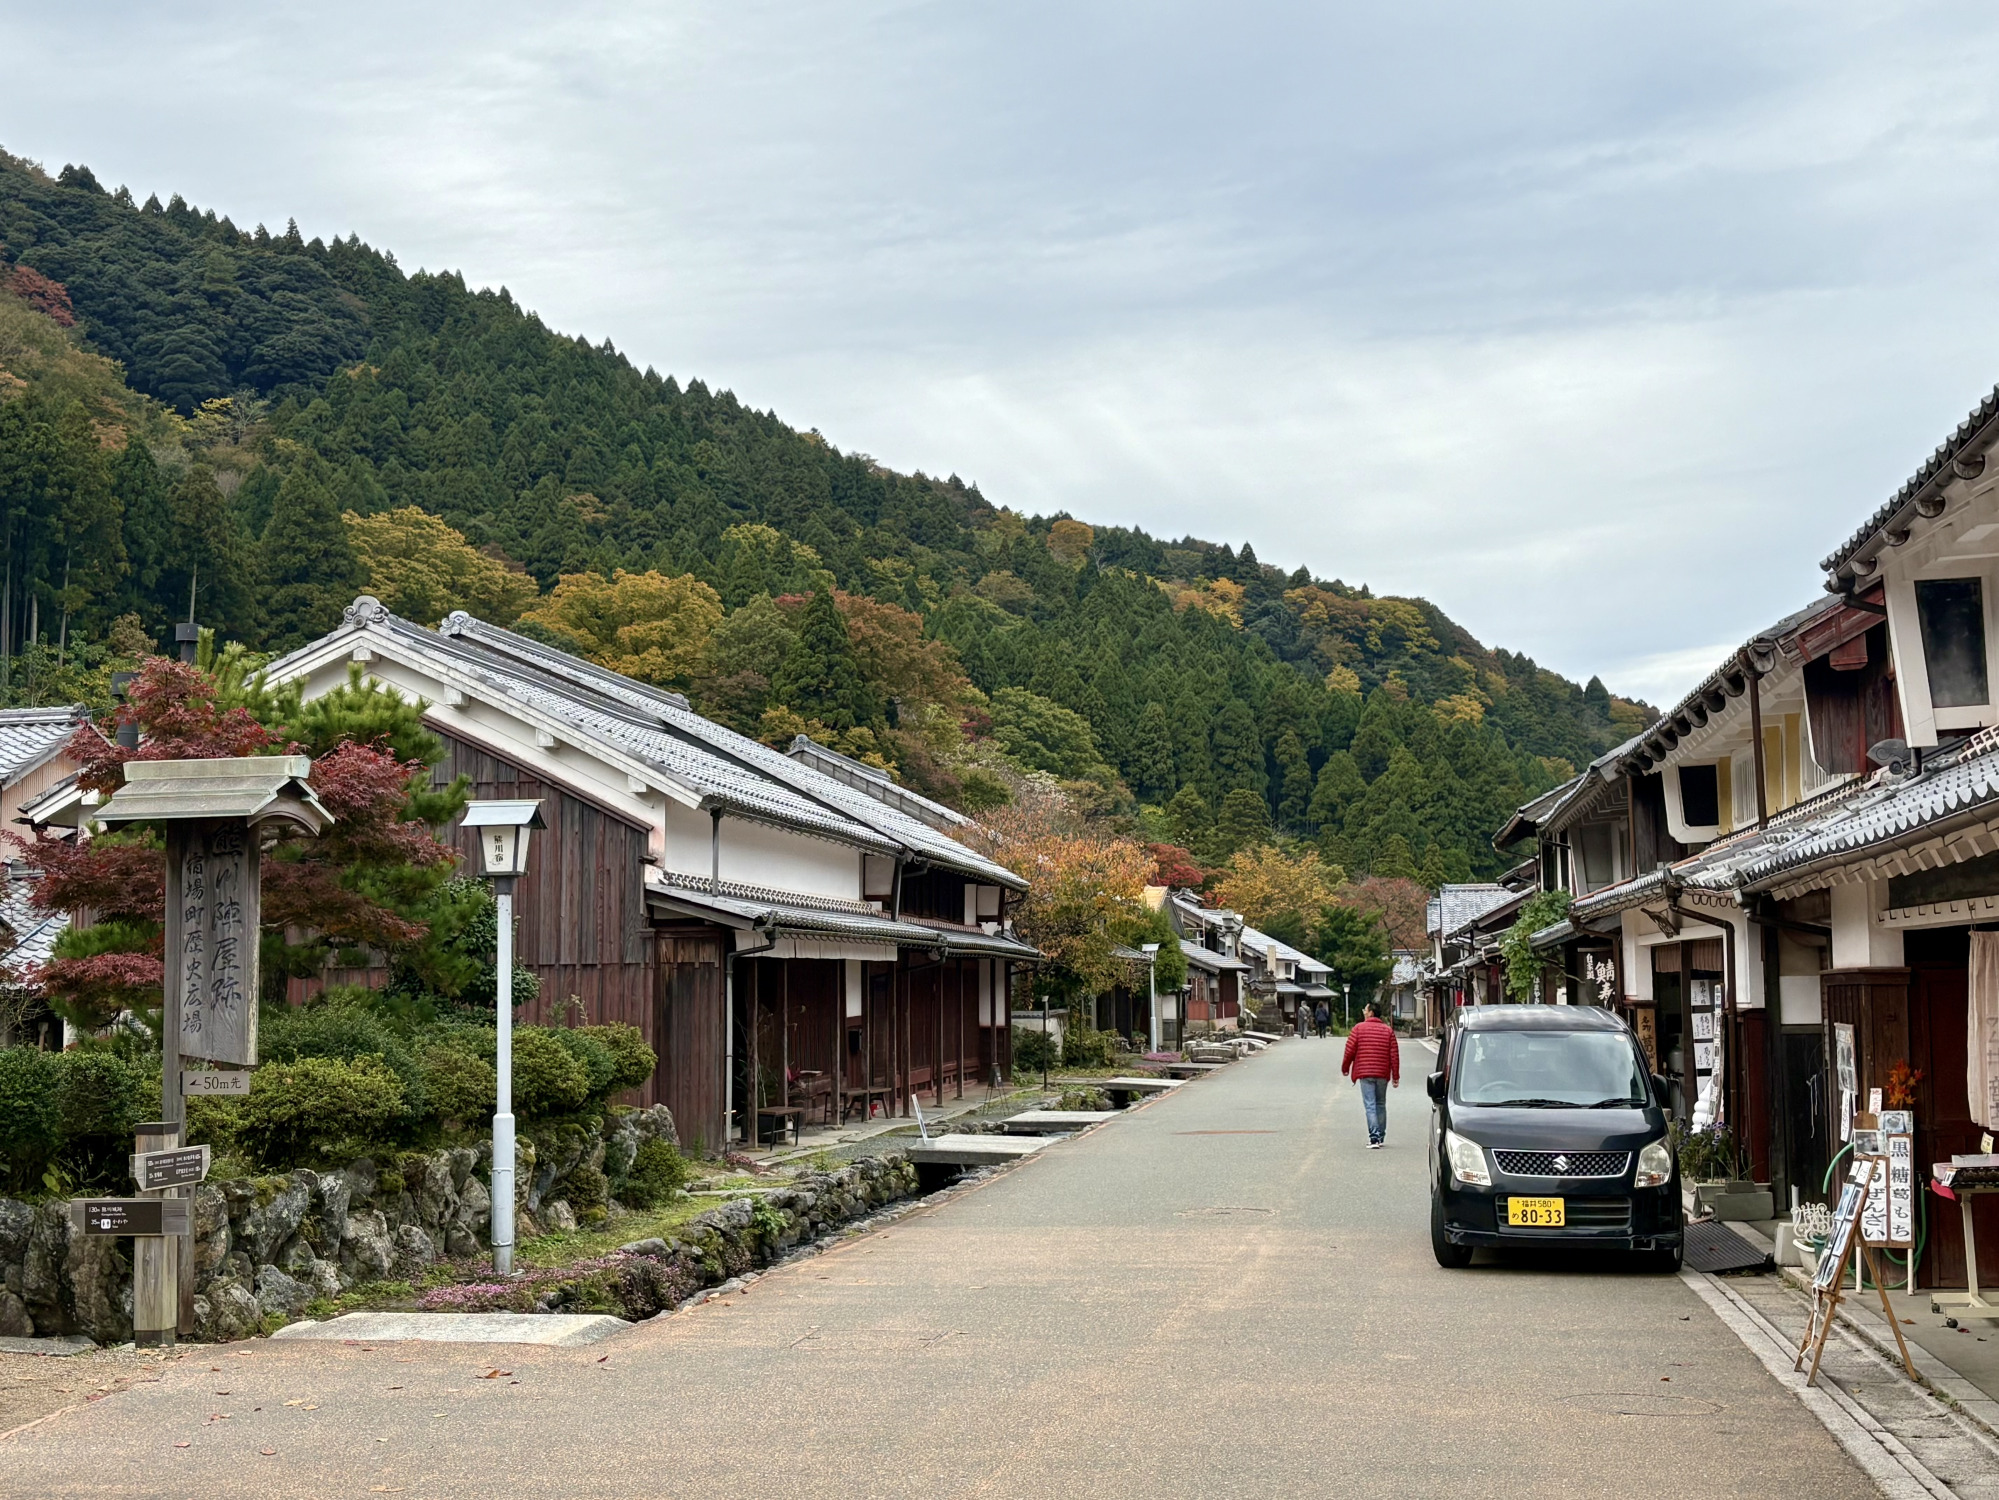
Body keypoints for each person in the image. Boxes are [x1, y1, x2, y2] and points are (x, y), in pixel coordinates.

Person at [1341, 999, 1400, 1148]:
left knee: (1370, 1105)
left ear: (1371, 1013)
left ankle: (1374, 1138)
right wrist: (1395, 1076)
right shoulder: (1388, 1031)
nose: (1364, 1012)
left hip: (1365, 1072)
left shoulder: (1358, 1029)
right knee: (1380, 1104)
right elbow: (1394, 1055)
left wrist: (1345, 1067)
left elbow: (1349, 1050)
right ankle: (1380, 1135)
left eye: (1365, 1010)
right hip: (1382, 1073)